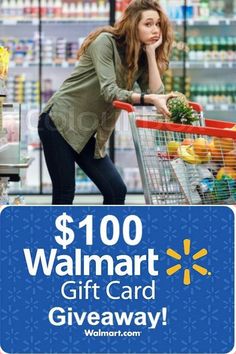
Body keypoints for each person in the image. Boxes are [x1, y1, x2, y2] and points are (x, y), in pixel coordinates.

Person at [38, 0, 174, 205]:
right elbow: (110, 91)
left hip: (85, 131)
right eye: (148, 24)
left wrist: (150, 52)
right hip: (59, 122)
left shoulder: (139, 55)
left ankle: (108, 237)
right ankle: (53, 238)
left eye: (157, 24)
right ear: (132, 23)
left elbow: (156, 93)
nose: (155, 30)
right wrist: (148, 98)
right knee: (65, 192)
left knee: (116, 189)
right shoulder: (105, 42)